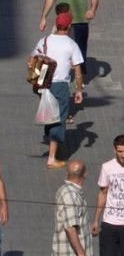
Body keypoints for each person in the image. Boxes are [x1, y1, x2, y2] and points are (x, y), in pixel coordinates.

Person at [31, 11, 85, 168]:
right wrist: (79, 90)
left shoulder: (45, 40)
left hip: (43, 83)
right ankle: (52, 157)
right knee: (58, 118)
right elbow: (78, 71)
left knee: (49, 113)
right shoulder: (71, 45)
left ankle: (52, 143)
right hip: (60, 85)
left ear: (56, 25)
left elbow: (31, 59)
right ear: (69, 26)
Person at [53, 160, 93, 256]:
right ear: (85, 174)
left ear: (67, 173)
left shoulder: (68, 191)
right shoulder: (70, 195)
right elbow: (70, 228)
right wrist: (80, 253)